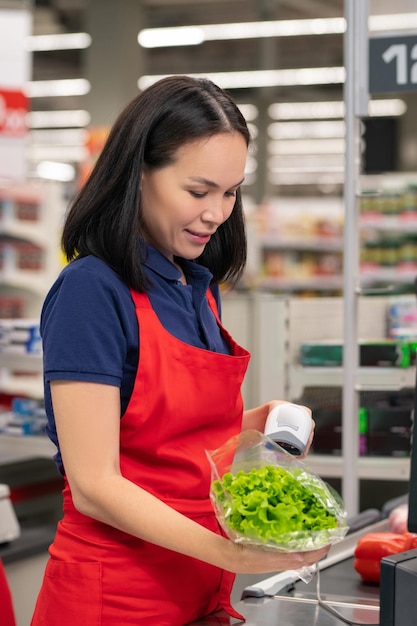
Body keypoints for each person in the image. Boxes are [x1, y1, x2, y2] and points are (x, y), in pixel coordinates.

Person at [31, 75, 329, 626]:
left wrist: (261, 422)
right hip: (115, 594)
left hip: (195, 589)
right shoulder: (92, 291)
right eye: (198, 191)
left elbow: (166, 436)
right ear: (137, 175)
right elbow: (95, 484)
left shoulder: (196, 287)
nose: (217, 213)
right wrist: (231, 553)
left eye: (231, 191)